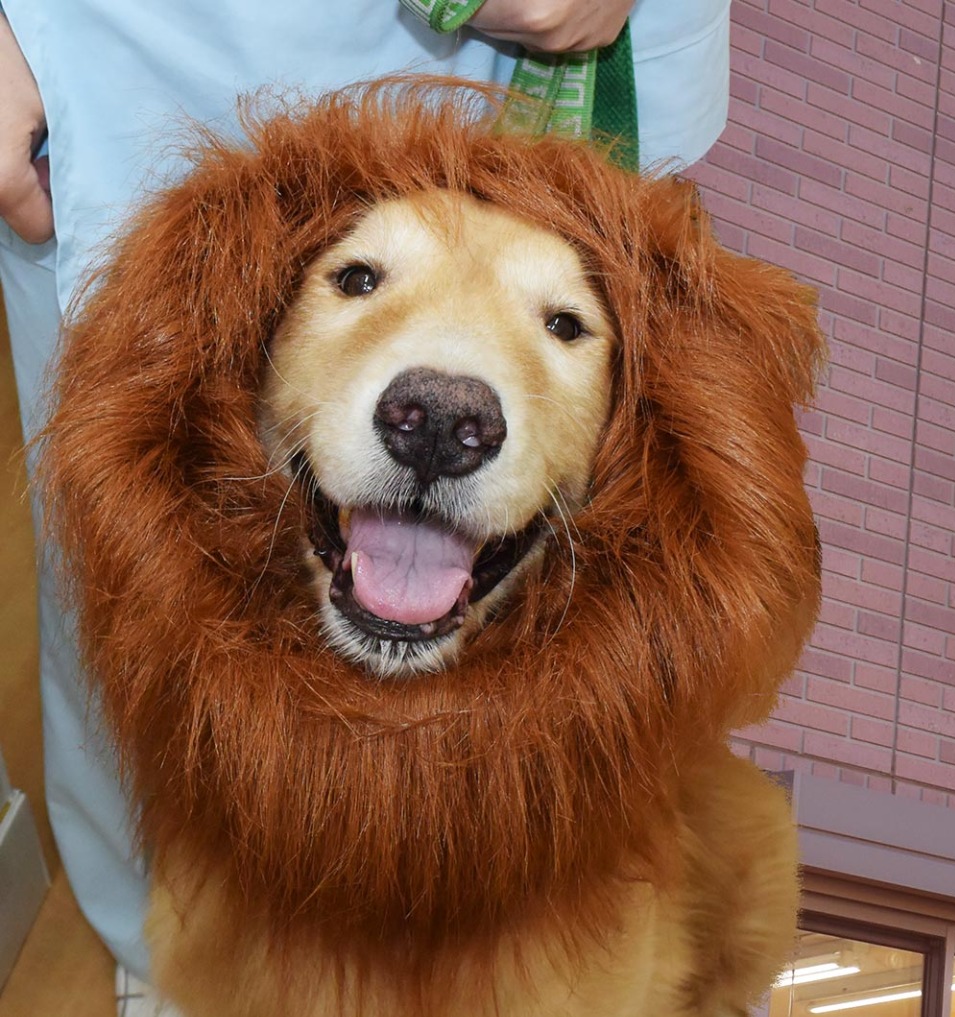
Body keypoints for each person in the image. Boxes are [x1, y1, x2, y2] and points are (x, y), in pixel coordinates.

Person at [0, 0, 733, 980]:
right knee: (121, 556)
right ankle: (169, 950)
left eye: (561, 325)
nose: (440, 419)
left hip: (549, 56)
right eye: (356, 282)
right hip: (134, 55)